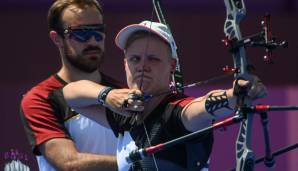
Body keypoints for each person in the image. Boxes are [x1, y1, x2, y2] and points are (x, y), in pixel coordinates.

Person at [61, 21, 267, 171]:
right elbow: (70, 94)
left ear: (172, 66)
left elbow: (200, 108)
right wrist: (106, 95)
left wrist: (234, 95)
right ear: (125, 64)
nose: (142, 65)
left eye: (153, 59)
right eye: (134, 58)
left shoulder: (176, 113)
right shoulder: (124, 111)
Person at [19, 0, 132, 170]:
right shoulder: (40, 99)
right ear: (57, 38)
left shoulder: (122, 92)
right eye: (81, 33)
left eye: (98, 31)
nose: (93, 41)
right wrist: (137, 162)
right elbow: (70, 164)